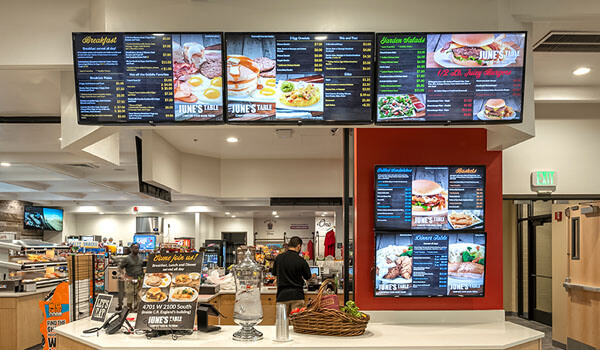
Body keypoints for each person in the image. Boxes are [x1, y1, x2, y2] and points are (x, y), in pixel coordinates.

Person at [272, 236, 314, 314]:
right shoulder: (301, 260)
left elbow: (274, 274)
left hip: (282, 296)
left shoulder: (279, 258)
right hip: (297, 296)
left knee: (282, 323)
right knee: (296, 323)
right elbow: (308, 277)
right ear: (298, 246)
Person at [119, 243, 144, 310]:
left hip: (139, 278)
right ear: (131, 249)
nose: (137, 249)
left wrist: (142, 278)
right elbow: (120, 267)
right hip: (130, 279)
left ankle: (137, 308)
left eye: (138, 248)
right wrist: (123, 276)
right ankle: (129, 308)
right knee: (130, 294)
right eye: (135, 248)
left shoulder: (141, 258)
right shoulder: (127, 258)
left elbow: (141, 268)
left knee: (138, 294)